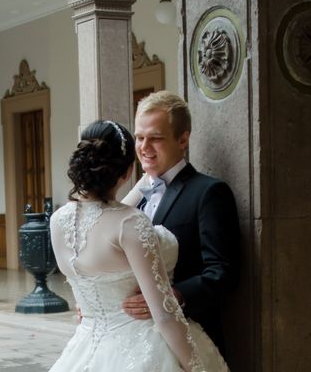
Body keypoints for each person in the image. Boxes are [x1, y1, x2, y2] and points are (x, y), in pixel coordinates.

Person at [49, 120, 228, 372]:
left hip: (86, 346)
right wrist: (198, 368)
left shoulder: (58, 220)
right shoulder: (129, 223)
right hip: (144, 344)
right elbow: (164, 316)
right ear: (126, 171)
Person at [121, 91, 240, 355]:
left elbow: (223, 273)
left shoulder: (209, 193)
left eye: (156, 138)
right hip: (131, 342)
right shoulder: (132, 200)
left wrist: (174, 296)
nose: (144, 147)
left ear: (183, 139)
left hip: (188, 338)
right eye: (140, 137)